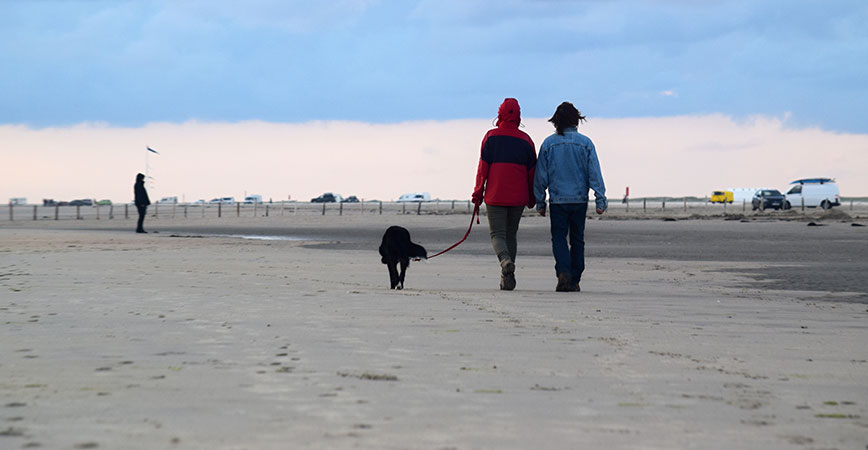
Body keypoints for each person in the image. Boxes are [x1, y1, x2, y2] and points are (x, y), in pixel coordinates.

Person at [533, 102, 607, 292]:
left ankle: (564, 272)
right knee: (577, 239)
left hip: (557, 200)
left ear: (556, 121)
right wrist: (600, 198)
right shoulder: (585, 143)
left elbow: (541, 175)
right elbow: (594, 173)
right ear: (576, 120)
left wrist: (539, 201)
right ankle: (575, 277)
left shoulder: (549, 144)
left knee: (558, 238)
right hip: (579, 199)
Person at [472, 98, 537, 290]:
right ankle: (507, 277)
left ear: (499, 114)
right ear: (518, 116)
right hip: (518, 196)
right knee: (511, 234)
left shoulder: (490, 137)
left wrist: (477, 194)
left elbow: (482, 169)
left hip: (495, 194)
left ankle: (505, 262)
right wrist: (533, 198)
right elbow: (532, 173)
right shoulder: (526, 140)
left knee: (497, 234)